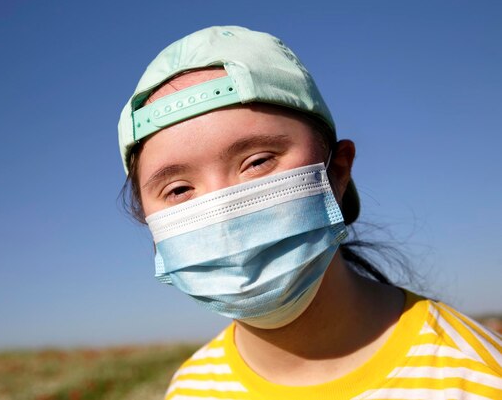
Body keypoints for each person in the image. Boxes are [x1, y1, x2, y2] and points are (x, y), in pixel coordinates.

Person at [117, 26, 502, 399]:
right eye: (178, 189)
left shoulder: (479, 376)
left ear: (336, 171)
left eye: (257, 162)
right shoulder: (189, 389)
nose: (222, 211)